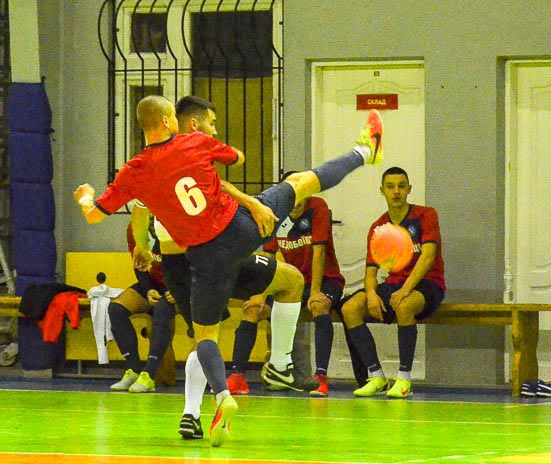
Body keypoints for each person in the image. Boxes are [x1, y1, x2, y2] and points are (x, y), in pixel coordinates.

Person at [74, 95, 383, 446]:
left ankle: (225, 395)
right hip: (239, 231)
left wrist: (86, 195)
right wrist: (212, 152)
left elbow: (95, 213)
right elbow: (238, 158)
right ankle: (363, 153)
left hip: (204, 259)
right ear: (166, 122)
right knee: (302, 183)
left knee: (206, 337)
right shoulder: (194, 142)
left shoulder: (134, 171)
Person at [227, 172, 345, 397]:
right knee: (253, 308)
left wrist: (317, 291)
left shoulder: (318, 208)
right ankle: (238, 376)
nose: (295, 203)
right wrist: (259, 294)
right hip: (291, 284)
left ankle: (320, 376)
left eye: (299, 196)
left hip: (325, 280)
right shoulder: (275, 213)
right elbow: (268, 257)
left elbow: (319, 252)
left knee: (319, 306)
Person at [341, 166, 445, 399]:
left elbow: (427, 257)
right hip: (394, 284)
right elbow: (370, 271)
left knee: (404, 305)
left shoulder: (426, 215)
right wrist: (371, 294)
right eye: (390, 187)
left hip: (427, 284)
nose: (396, 191)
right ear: (382, 191)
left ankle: (404, 378)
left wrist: (405, 290)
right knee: (349, 308)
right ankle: (376, 375)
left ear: (409, 189)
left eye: (401, 186)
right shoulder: (378, 228)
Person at [107, 220, 177, 393]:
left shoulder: (177, 221)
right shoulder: (135, 227)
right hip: (153, 283)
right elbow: (139, 263)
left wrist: (178, 289)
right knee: (116, 309)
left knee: (162, 309)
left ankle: (149, 375)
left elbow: (195, 260)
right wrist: (148, 289)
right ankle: (132, 370)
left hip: (181, 284)